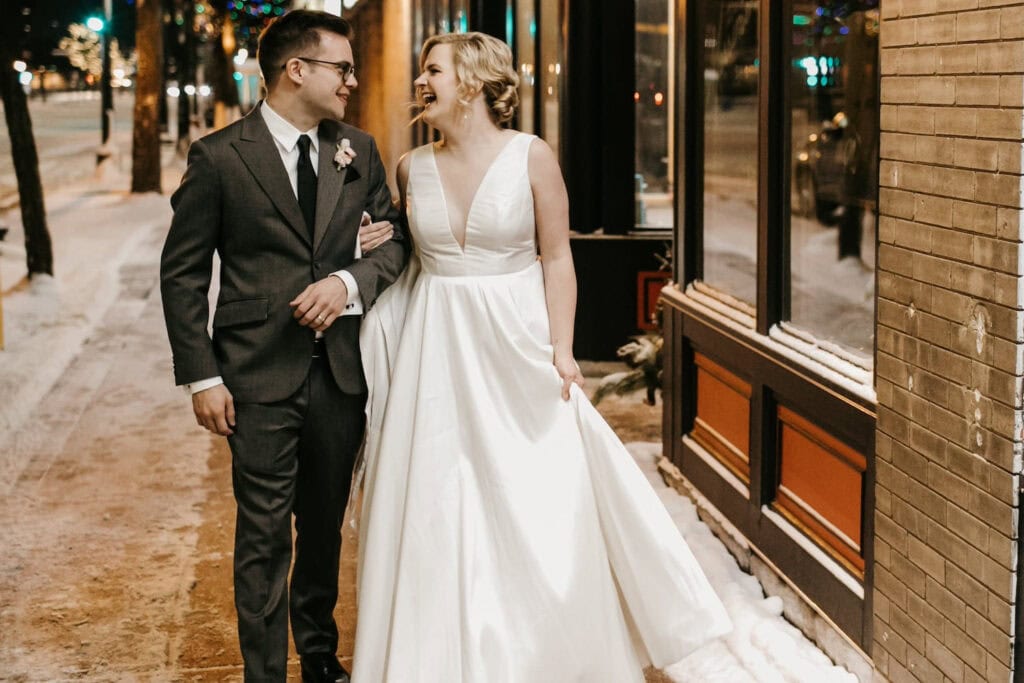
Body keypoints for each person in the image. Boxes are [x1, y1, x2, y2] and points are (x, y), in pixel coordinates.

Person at [351, 32, 731, 682]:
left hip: (514, 344)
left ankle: (541, 653)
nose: (422, 83)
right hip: (435, 350)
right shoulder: (411, 168)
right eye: (422, 71)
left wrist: (562, 348)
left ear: (472, 81)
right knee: (440, 499)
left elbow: (558, 256)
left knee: (528, 493)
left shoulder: (532, 158)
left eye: (433, 70)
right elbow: (408, 260)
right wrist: (371, 239)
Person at [159, 10, 406, 683]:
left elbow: (396, 241)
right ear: (296, 69)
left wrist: (349, 282)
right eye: (341, 68)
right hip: (255, 379)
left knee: (323, 529)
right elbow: (182, 273)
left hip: (340, 376)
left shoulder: (358, 150)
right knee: (263, 535)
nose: (352, 81)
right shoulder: (219, 158)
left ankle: (319, 659)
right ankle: (264, 672)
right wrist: (201, 376)